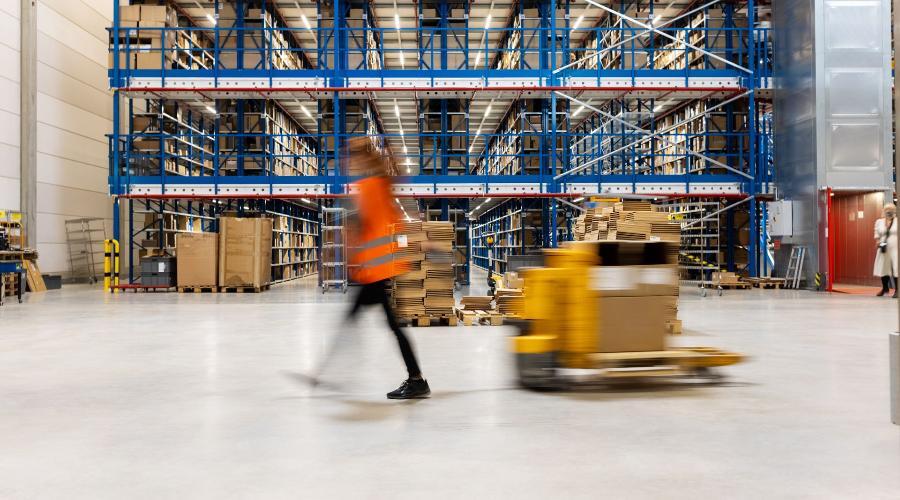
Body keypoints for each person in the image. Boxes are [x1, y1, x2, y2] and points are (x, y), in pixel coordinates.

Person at [345, 137, 430, 399]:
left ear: (360, 159)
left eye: (351, 157)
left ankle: (417, 380)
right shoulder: (378, 185)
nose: (347, 163)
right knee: (383, 324)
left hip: (376, 270)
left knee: (380, 324)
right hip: (378, 267)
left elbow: (363, 227)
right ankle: (416, 379)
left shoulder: (370, 186)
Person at [873, 203, 898, 297]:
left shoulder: (897, 221)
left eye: (891, 209)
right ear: (883, 210)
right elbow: (876, 233)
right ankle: (885, 288)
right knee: (883, 268)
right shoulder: (879, 222)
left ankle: (897, 290)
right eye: (887, 209)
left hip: (895, 249)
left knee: (895, 268)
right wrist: (878, 241)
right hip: (884, 247)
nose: (889, 211)